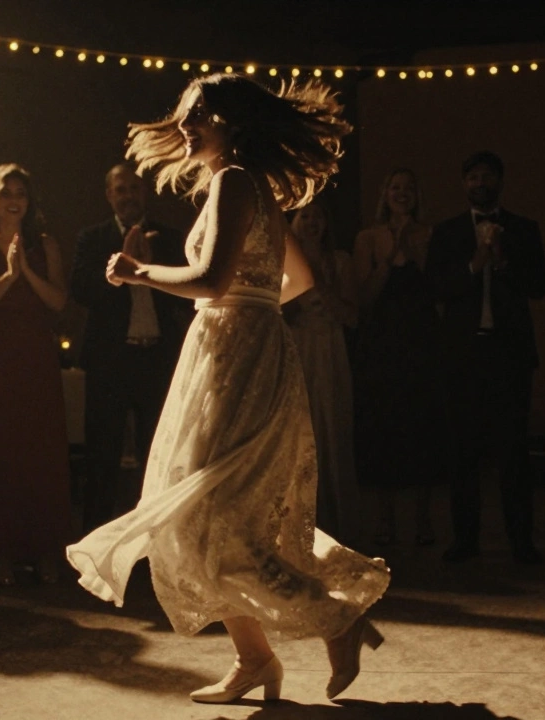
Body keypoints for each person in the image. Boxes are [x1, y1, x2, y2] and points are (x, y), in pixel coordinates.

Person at [67, 74, 390, 705]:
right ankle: (256, 660)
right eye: (184, 114)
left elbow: (213, 281)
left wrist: (139, 272)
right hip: (244, 346)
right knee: (213, 516)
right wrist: (255, 305)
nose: (186, 125)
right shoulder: (252, 184)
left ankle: (333, 620)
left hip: (234, 352)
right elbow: (299, 280)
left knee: (211, 515)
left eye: (200, 115)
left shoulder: (234, 181)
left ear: (233, 123)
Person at [426, 151, 545, 565]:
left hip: (509, 355)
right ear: (464, 184)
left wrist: (503, 260)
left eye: (487, 176)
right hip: (463, 355)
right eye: (473, 177)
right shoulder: (447, 232)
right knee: (462, 451)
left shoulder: (524, 229)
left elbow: (539, 286)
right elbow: (436, 288)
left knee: (514, 453)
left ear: (500, 181)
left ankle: (521, 541)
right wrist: (475, 264)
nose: (480, 183)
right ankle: (465, 540)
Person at [0, 164, 72, 585]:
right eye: (6, 192)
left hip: (36, 354)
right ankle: (0, 554)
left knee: (40, 451)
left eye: (21, 193)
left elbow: (58, 302)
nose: (14, 200)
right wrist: (8, 276)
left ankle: (44, 551)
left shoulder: (45, 243)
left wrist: (26, 270)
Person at [71, 162, 190, 533]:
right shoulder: (94, 238)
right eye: (120, 189)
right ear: (109, 195)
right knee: (102, 457)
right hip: (110, 362)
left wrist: (152, 269)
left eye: (134, 188)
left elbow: (186, 299)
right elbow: (80, 291)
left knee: (159, 452)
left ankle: (156, 539)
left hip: (158, 359)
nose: (127, 196)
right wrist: (120, 272)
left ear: (145, 192)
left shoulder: (169, 239)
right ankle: (96, 540)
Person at [351, 167, 444, 547]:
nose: (402, 193)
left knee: (423, 427)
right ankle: (385, 519)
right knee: (383, 428)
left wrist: (416, 251)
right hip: (382, 344)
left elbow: (438, 290)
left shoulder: (431, 235)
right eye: (395, 187)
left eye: (409, 188)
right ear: (385, 194)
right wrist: (390, 255)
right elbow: (364, 298)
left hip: (421, 343)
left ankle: (423, 520)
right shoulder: (368, 238)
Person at [284, 196, 360, 542]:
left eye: (318, 217)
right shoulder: (282, 260)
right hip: (296, 347)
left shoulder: (339, 261)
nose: (312, 223)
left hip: (329, 348)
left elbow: (352, 316)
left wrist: (319, 281)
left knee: (331, 428)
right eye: (305, 216)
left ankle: (336, 521)